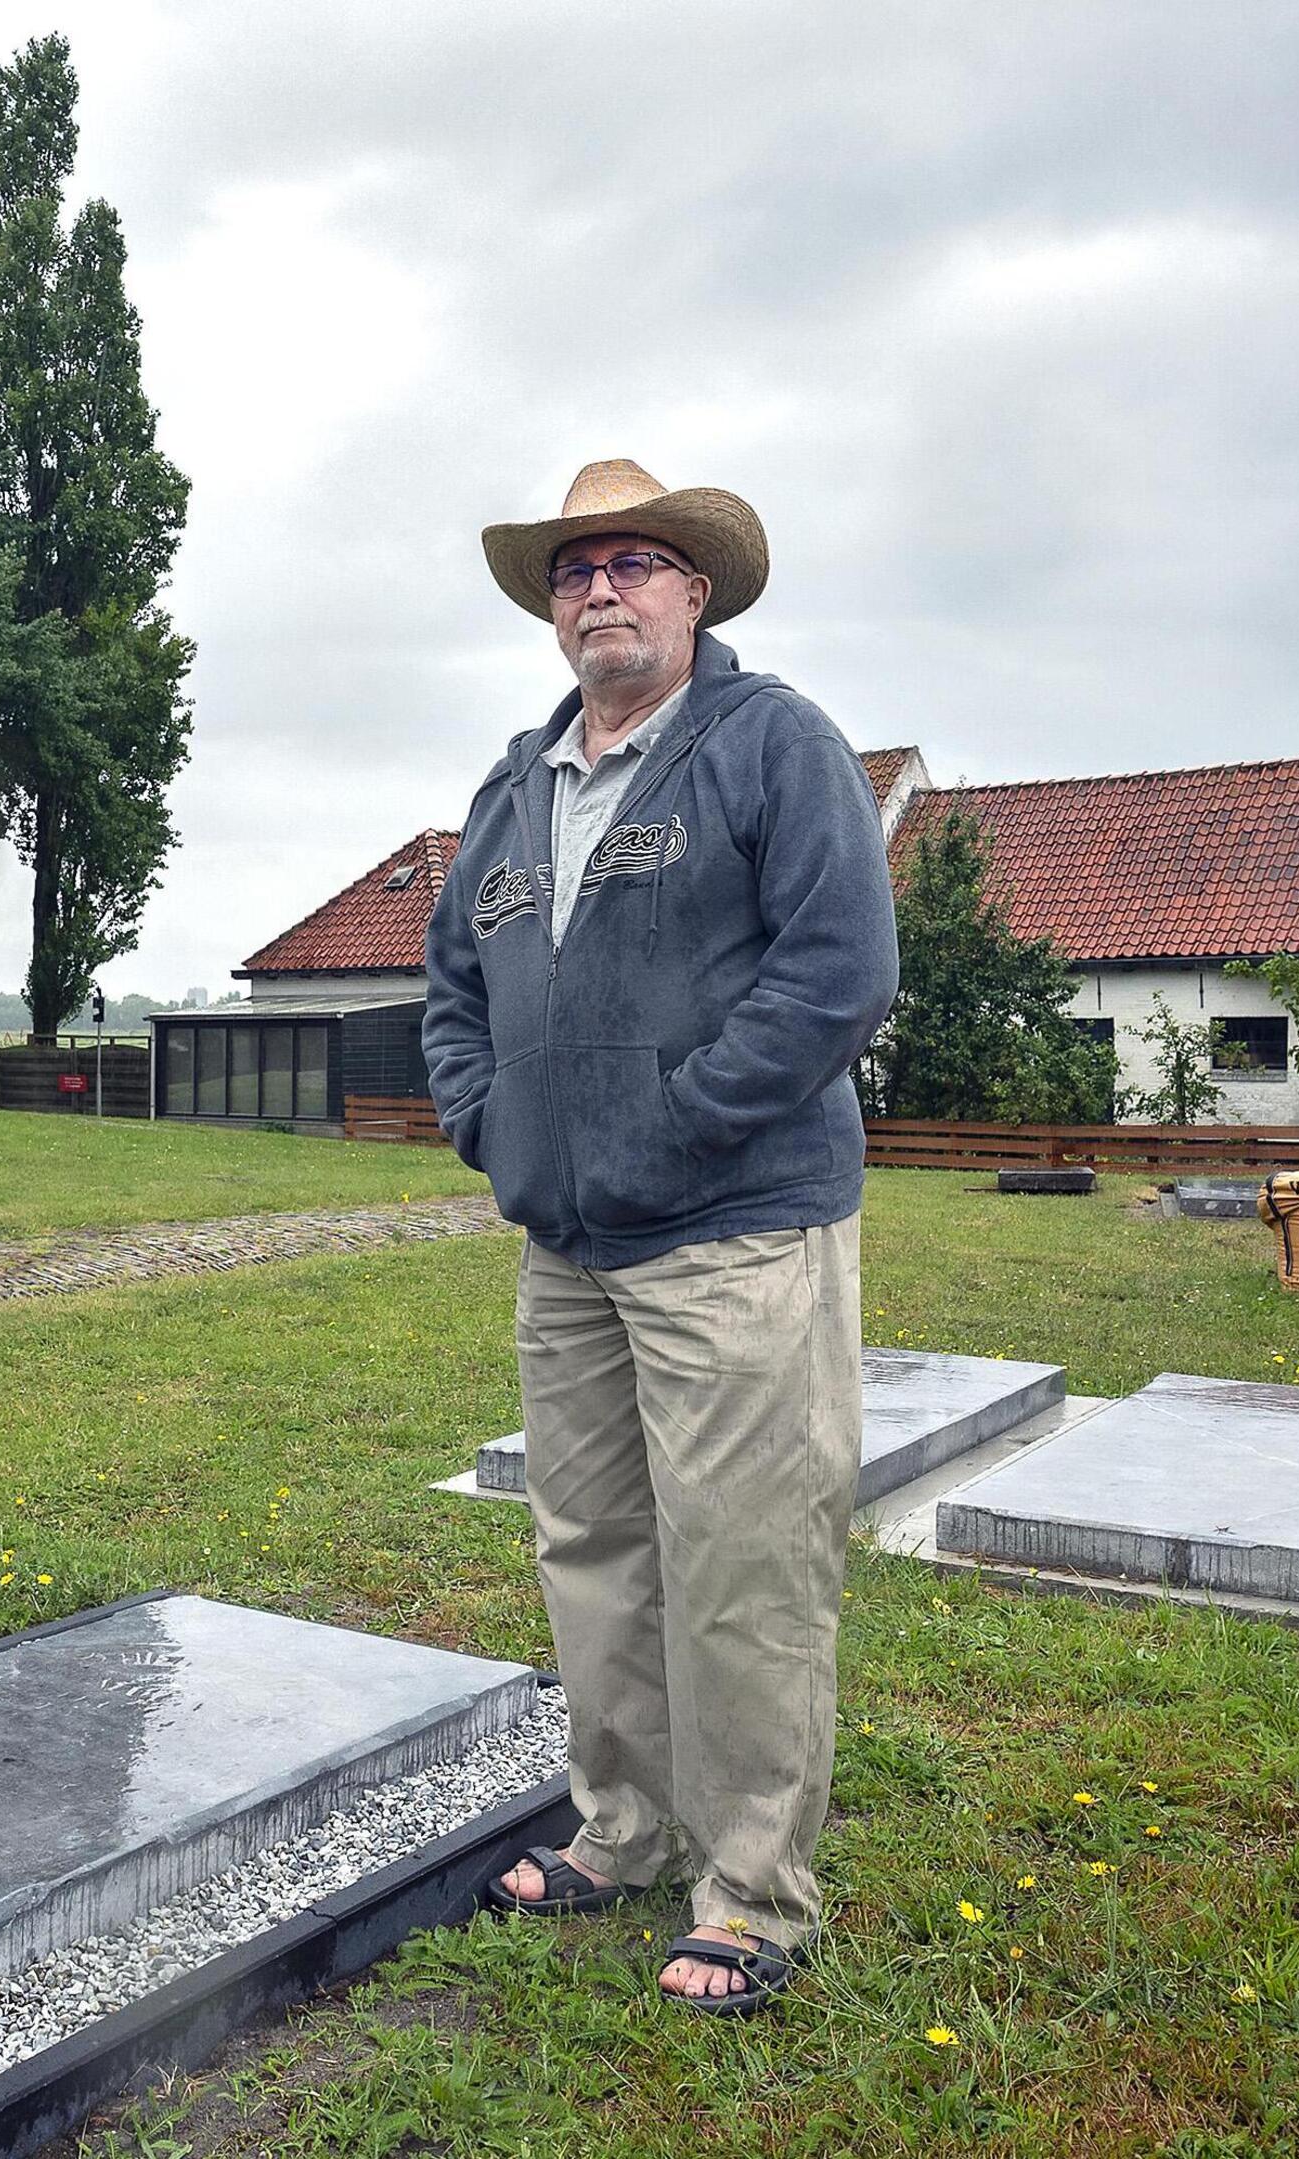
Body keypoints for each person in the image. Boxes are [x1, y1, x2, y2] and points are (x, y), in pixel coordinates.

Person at [420, 458, 899, 2013]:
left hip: (732, 1233)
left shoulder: (773, 748)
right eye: (574, 572)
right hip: (566, 1250)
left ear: (698, 592)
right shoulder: (513, 792)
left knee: (744, 1561)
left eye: (635, 563)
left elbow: (836, 976)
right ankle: (622, 1829)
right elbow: (449, 995)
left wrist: (678, 1121)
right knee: (597, 1549)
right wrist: (497, 1127)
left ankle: (753, 1894)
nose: (601, 591)